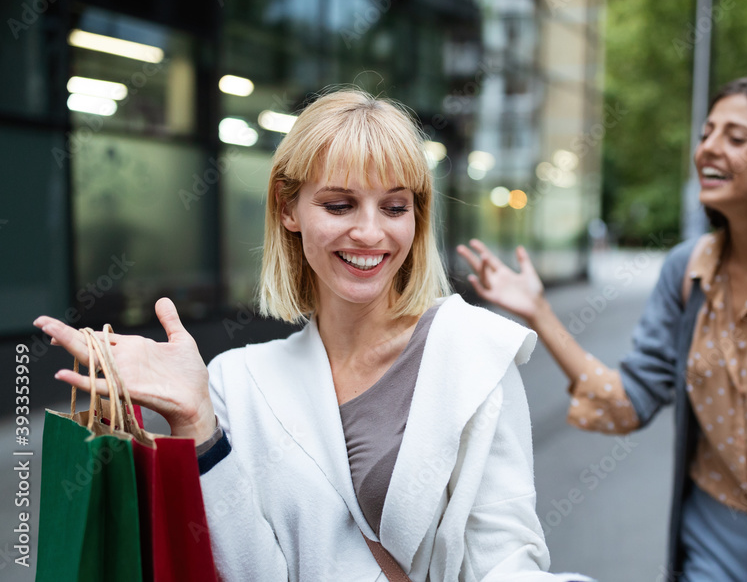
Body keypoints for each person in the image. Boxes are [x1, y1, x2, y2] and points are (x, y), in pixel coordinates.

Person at [35, 89, 591, 582]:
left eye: (395, 206)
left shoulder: (472, 352)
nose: (371, 232)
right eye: (340, 204)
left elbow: (506, 561)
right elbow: (251, 571)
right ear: (288, 207)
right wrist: (196, 422)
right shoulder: (238, 380)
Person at [457, 77, 747, 581]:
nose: (707, 148)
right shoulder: (686, 269)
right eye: (707, 133)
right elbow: (627, 402)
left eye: (735, 137)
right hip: (707, 541)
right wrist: (539, 312)